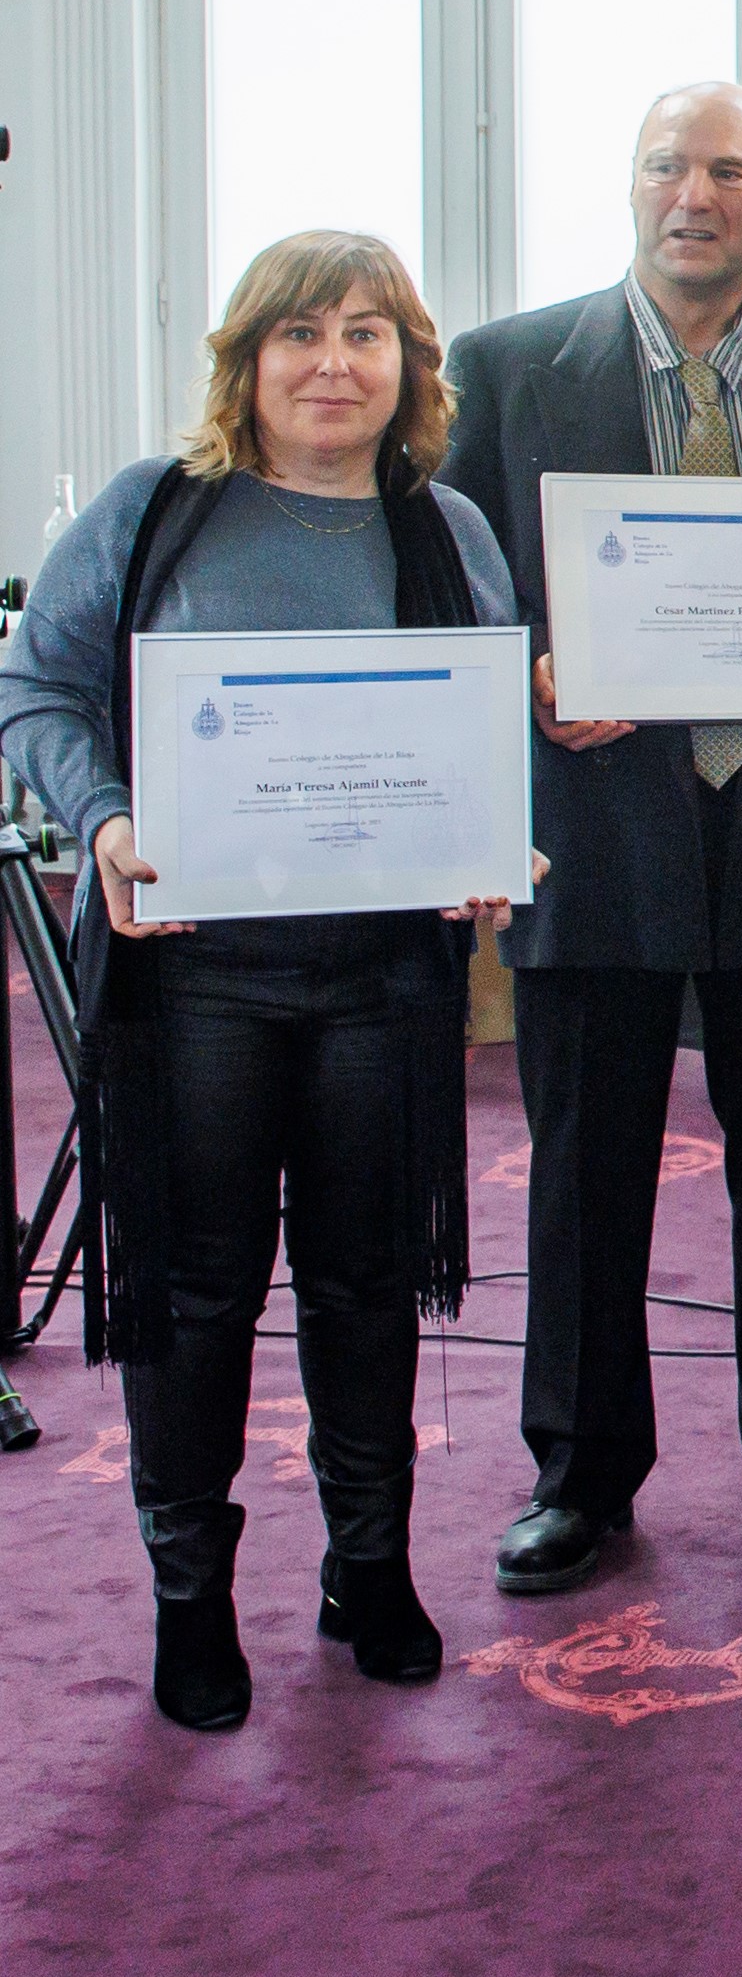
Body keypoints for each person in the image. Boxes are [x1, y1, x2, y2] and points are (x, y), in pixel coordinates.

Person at [0, 235, 519, 1729]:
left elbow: (479, 737)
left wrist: (484, 844)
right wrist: (101, 816)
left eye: (370, 332)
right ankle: (192, 1593)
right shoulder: (157, 512)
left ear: (412, 364)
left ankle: (370, 1565)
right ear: (245, 359)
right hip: (192, 975)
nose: (333, 361)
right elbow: (34, 685)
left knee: (366, 1281)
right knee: (197, 1286)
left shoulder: (450, 531)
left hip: (380, 980)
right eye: (299, 333)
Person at [440, 85, 742, 1599]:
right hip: (596, 819)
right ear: (629, 185)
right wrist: (518, 672)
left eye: (728, 169)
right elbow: (453, 589)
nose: (691, 194)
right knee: (587, 1161)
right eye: (665, 164)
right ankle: (579, 1472)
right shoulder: (507, 367)